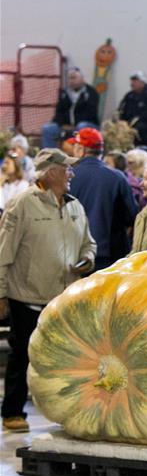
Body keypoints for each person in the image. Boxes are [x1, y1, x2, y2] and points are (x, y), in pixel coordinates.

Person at [0, 149, 95, 432]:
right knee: (22, 354)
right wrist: (1, 294)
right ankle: (12, 411)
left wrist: (87, 260)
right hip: (26, 295)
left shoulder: (75, 206)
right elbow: (4, 253)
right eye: (67, 168)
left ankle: (66, 410)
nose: (71, 174)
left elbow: (89, 244)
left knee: (67, 356)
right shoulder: (22, 205)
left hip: (64, 297)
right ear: (51, 171)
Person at [68, 128, 139, 270]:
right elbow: (132, 216)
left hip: (75, 256)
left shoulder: (68, 178)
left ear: (81, 150)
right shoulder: (118, 177)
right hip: (111, 258)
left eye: (75, 147)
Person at [41, 67, 100, 147]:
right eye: (70, 78)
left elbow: (91, 114)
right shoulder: (64, 94)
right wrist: (62, 124)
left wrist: (74, 126)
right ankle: (50, 156)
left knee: (81, 126)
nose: (72, 81)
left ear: (82, 79)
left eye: (74, 78)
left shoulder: (91, 93)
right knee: (48, 128)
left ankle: (80, 155)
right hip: (66, 125)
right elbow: (59, 112)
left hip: (87, 124)